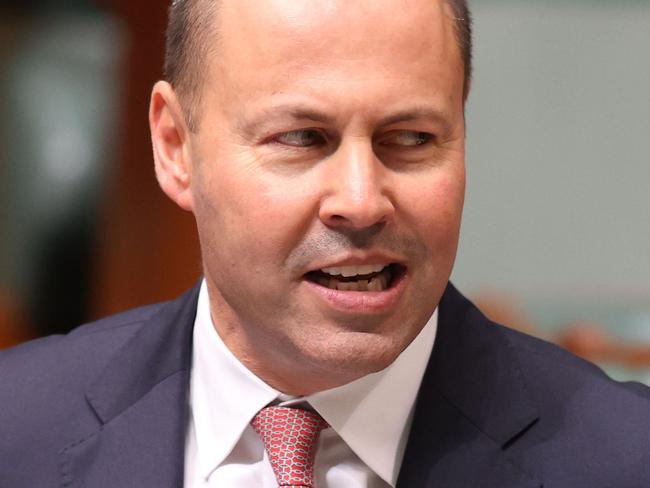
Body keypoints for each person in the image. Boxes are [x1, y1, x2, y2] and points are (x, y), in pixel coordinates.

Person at [1, 1, 649, 486]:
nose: (362, 201)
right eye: (303, 138)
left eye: (411, 138)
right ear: (175, 147)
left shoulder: (623, 458)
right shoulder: (17, 433)